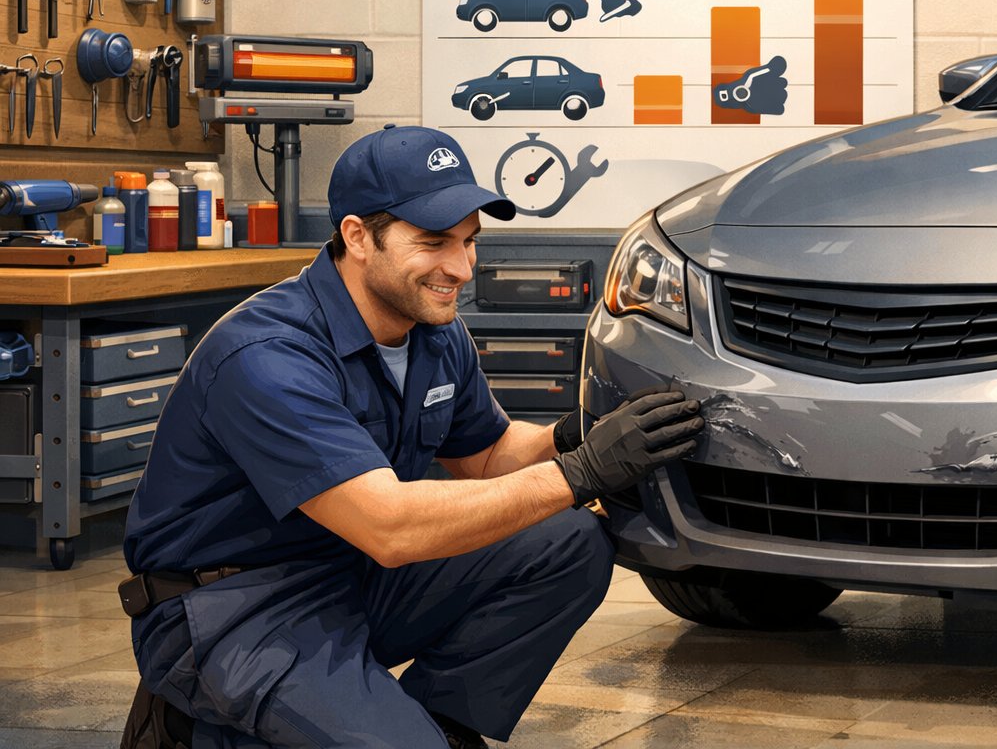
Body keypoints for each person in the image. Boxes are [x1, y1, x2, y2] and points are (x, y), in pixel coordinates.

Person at [117, 125, 703, 749]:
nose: (460, 268)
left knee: (569, 541)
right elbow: (389, 527)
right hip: (232, 609)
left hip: (348, 574)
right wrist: (581, 472)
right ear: (357, 237)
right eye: (433, 242)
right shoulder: (268, 355)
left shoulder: (432, 333)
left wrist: (577, 433)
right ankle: (191, 724)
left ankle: (440, 728)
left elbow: (485, 459)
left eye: (469, 241)